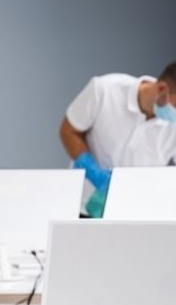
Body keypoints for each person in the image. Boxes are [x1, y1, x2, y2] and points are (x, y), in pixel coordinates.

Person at [60, 62, 176, 217]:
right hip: (83, 205)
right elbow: (68, 130)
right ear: (162, 89)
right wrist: (95, 173)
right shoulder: (105, 90)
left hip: (137, 212)